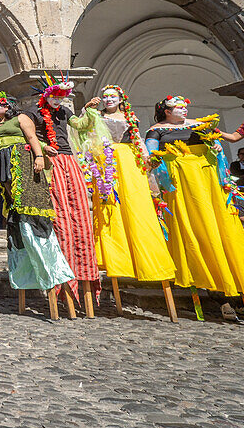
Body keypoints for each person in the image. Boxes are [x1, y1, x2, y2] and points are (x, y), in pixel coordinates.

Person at [146, 96, 244, 320]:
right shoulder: (156, 130)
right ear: (166, 111)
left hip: (208, 180)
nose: (183, 110)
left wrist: (215, 144)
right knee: (197, 231)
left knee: (222, 228)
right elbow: (150, 156)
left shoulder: (199, 124)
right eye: (178, 107)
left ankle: (238, 289)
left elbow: (217, 148)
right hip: (181, 183)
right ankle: (217, 293)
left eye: (185, 107)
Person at [0, 93, 74, 301]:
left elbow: (32, 138)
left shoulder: (21, 118)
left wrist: (38, 156)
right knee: (12, 200)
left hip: (20, 158)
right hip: (3, 161)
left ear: (7, 106)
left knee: (25, 197)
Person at [72, 86, 176, 290]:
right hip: (106, 162)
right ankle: (116, 259)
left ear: (121, 99)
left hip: (130, 162)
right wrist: (86, 109)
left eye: (113, 96)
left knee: (137, 206)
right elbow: (80, 129)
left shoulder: (130, 117)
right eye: (105, 97)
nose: (108, 99)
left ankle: (148, 260)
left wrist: (147, 158)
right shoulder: (96, 114)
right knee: (111, 209)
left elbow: (137, 139)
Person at [25, 75, 99, 308]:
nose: (58, 101)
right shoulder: (35, 113)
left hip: (69, 160)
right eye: (55, 97)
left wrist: (88, 110)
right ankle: (61, 282)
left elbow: (80, 125)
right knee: (59, 213)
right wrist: (43, 148)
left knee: (79, 212)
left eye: (61, 98)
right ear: (46, 96)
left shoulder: (65, 113)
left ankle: (84, 275)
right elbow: (29, 135)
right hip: (51, 162)